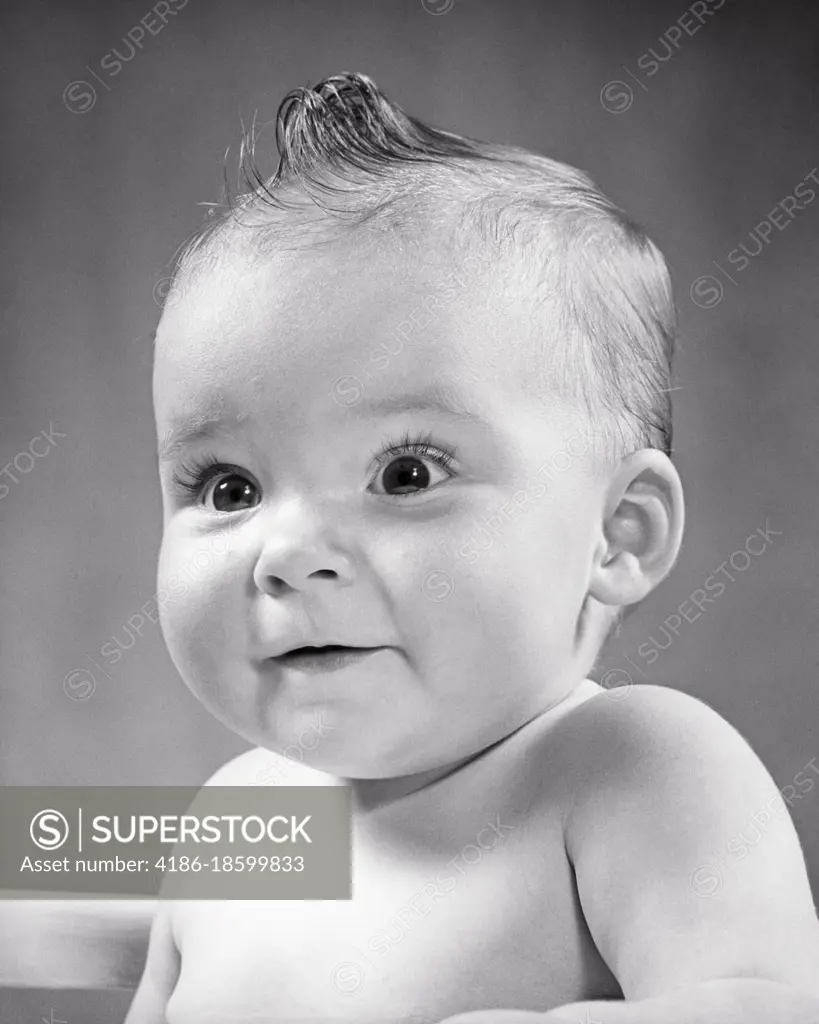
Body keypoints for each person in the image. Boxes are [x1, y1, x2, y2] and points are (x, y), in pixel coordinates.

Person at [126, 72, 819, 1024]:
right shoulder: (232, 823)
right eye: (228, 488)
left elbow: (763, 1007)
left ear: (618, 533)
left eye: (405, 474)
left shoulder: (627, 767)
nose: (284, 552)